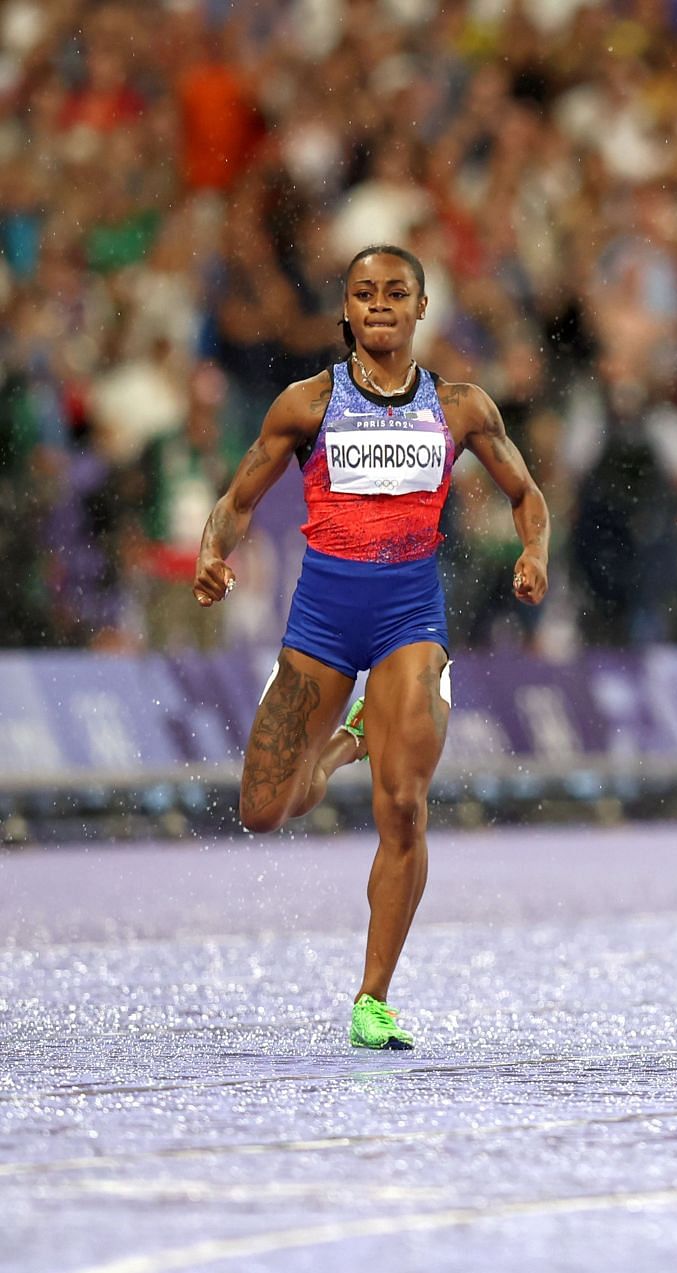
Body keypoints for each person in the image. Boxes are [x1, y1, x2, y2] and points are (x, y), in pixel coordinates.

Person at [194, 245, 550, 1050]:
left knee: (404, 807)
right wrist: (214, 553)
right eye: (365, 293)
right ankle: (349, 742)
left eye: (397, 293)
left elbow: (528, 496)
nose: (381, 305)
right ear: (346, 310)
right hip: (321, 622)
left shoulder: (458, 407)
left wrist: (536, 553)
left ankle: (372, 997)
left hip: (408, 621)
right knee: (262, 810)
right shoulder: (307, 404)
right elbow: (237, 498)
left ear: (423, 308)